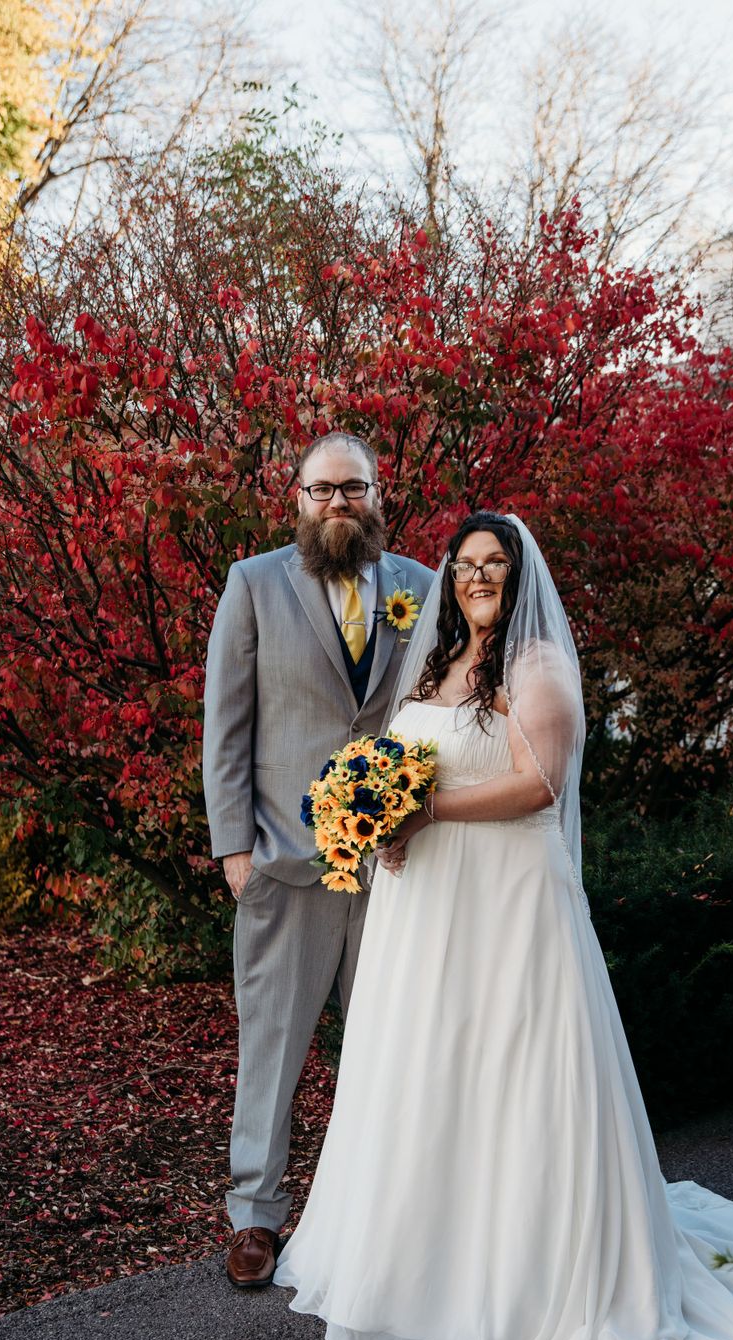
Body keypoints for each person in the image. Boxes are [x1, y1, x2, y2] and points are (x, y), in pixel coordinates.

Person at [272, 510, 733, 1340]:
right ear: (449, 579)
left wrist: (427, 812)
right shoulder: (439, 662)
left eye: (494, 564)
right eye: (466, 565)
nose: (478, 577)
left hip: (507, 901)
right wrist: (374, 817)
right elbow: (408, 764)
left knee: (514, 1066)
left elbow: (541, 782)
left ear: (518, 574)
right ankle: (427, 1261)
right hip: (429, 906)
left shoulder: (535, 663)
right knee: (432, 1066)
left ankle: (524, 1280)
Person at [202, 432, 434, 1289]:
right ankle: (255, 1216)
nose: (339, 502)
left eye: (353, 488)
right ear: (297, 499)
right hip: (284, 862)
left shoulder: (422, 587)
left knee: (389, 1046)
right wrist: (236, 850)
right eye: (322, 489)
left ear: (378, 495)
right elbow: (226, 723)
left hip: (397, 869)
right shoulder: (254, 584)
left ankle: (382, 1216)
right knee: (272, 1046)